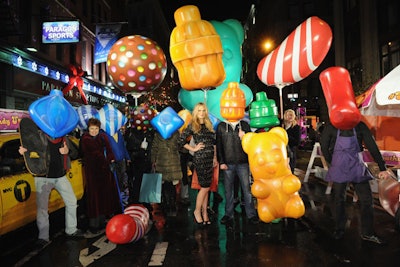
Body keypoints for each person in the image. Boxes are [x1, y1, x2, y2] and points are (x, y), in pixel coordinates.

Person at [320, 121, 392, 244]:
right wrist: (334, 163)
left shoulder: (359, 126)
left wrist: (382, 167)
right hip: (340, 166)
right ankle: (339, 228)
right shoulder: (331, 126)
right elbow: (324, 147)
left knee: (366, 199)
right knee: (339, 198)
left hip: (356, 166)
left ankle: (367, 232)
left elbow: (371, 146)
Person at [18, 124, 84, 249]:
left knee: (72, 202)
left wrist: (67, 151)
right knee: (42, 209)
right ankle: (43, 238)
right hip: (43, 177)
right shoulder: (37, 136)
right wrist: (21, 153)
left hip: (60, 176)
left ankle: (71, 229)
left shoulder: (63, 137)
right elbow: (28, 153)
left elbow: (76, 152)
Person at [79, 118, 122, 237]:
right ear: (88, 129)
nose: (94, 131)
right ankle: (94, 224)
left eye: (96, 129)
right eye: (92, 128)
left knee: (103, 197)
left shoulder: (102, 137)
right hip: (93, 172)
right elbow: (95, 153)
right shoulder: (86, 139)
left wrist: (111, 158)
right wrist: (107, 160)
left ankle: (102, 221)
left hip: (103, 172)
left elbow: (109, 150)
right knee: (94, 198)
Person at [180, 102, 217, 225]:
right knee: (205, 187)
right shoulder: (193, 125)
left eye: (203, 110)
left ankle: (205, 213)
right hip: (200, 159)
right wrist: (194, 149)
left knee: (205, 188)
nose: (201, 113)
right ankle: (197, 211)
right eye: (199, 110)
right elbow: (180, 141)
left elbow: (213, 142)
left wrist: (215, 157)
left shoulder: (209, 124)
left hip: (210, 159)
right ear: (196, 112)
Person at [216, 119, 259, 226]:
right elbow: (219, 145)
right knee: (228, 191)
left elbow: (251, 145)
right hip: (228, 164)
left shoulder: (244, 125)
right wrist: (221, 161)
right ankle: (228, 214)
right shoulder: (221, 126)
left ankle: (251, 214)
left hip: (243, 163)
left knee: (247, 189)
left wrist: (244, 137)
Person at [151, 130, 183, 216]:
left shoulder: (158, 133)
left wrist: (153, 160)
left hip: (162, 161)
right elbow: (180, 146)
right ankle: (171, 206)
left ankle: (167, 205)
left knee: (166, 184)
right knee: (171, 185)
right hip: (172, 162)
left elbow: (154, 148)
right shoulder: (175, 132)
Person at [106, 126, 131, 206]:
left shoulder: (119, 133)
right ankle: (114, 201)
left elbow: (123, 146)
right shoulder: (105, 134)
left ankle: (121, 200)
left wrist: (127, 157)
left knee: (121, 180)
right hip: (112, 162)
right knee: (113, 182)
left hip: (121, 160)